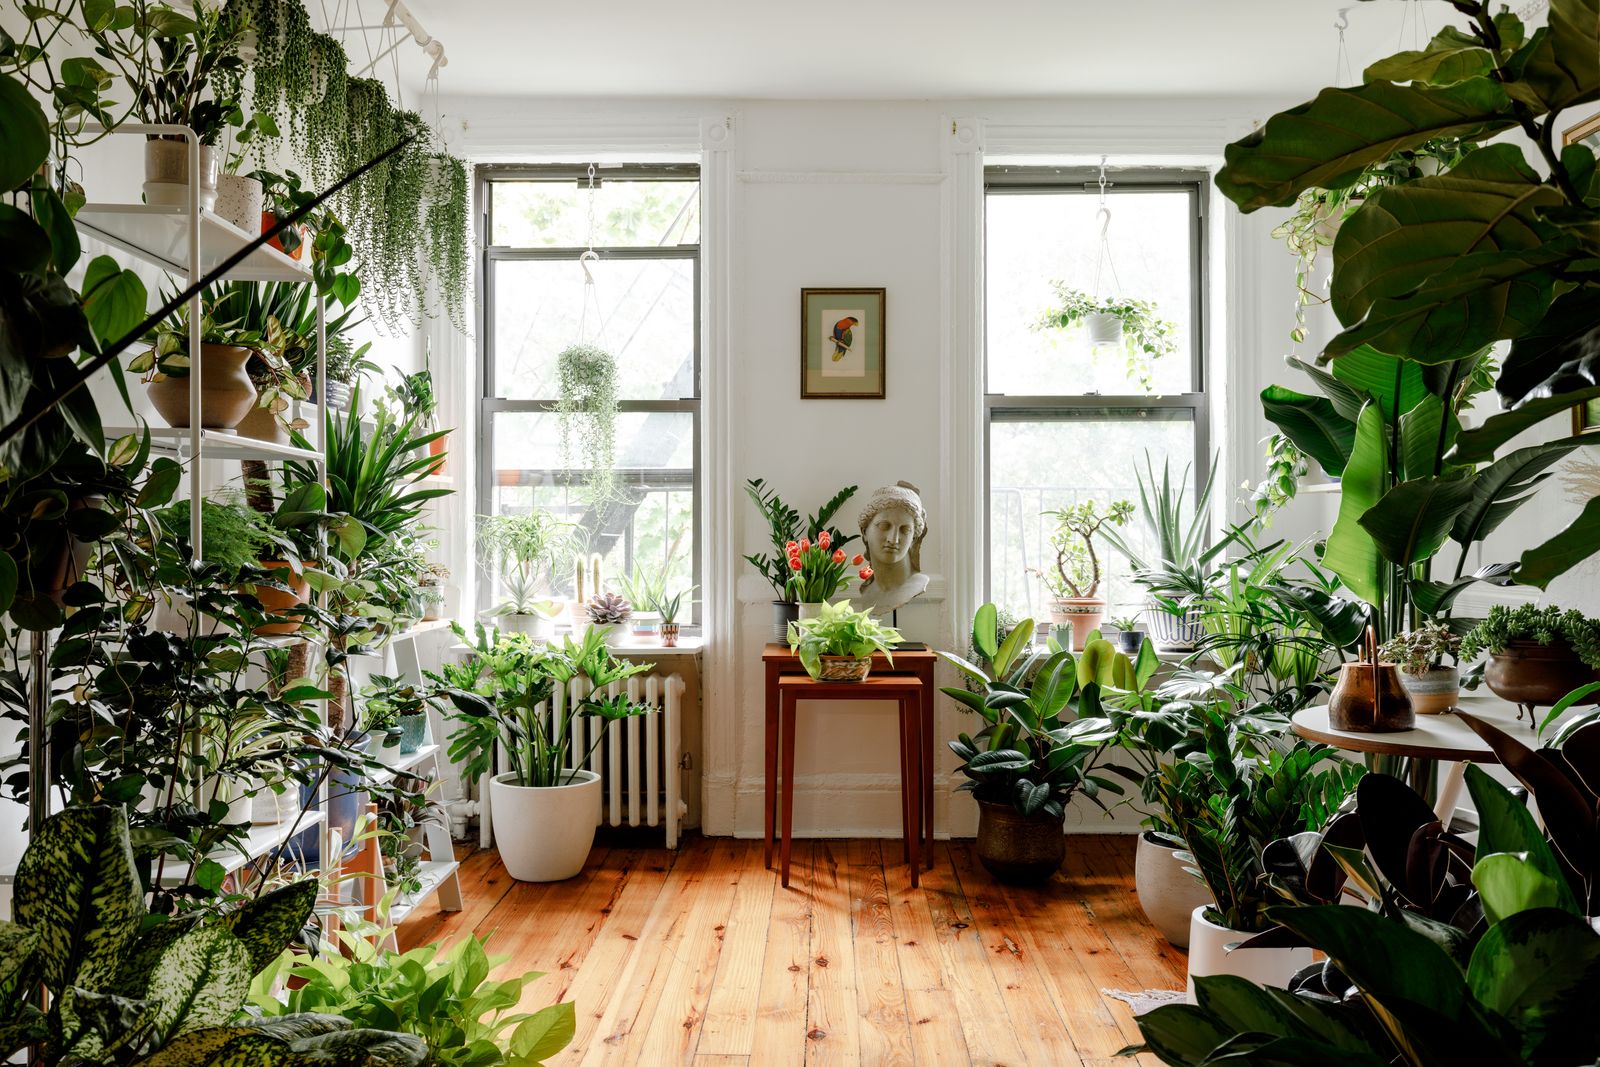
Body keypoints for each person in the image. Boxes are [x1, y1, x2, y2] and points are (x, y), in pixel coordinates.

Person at [853, 481, 929, 616]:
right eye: (883, 526)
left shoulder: (916, 585)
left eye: (905, 530)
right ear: (865, 532)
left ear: (914, 538)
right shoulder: (867, 591)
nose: (893, 539)